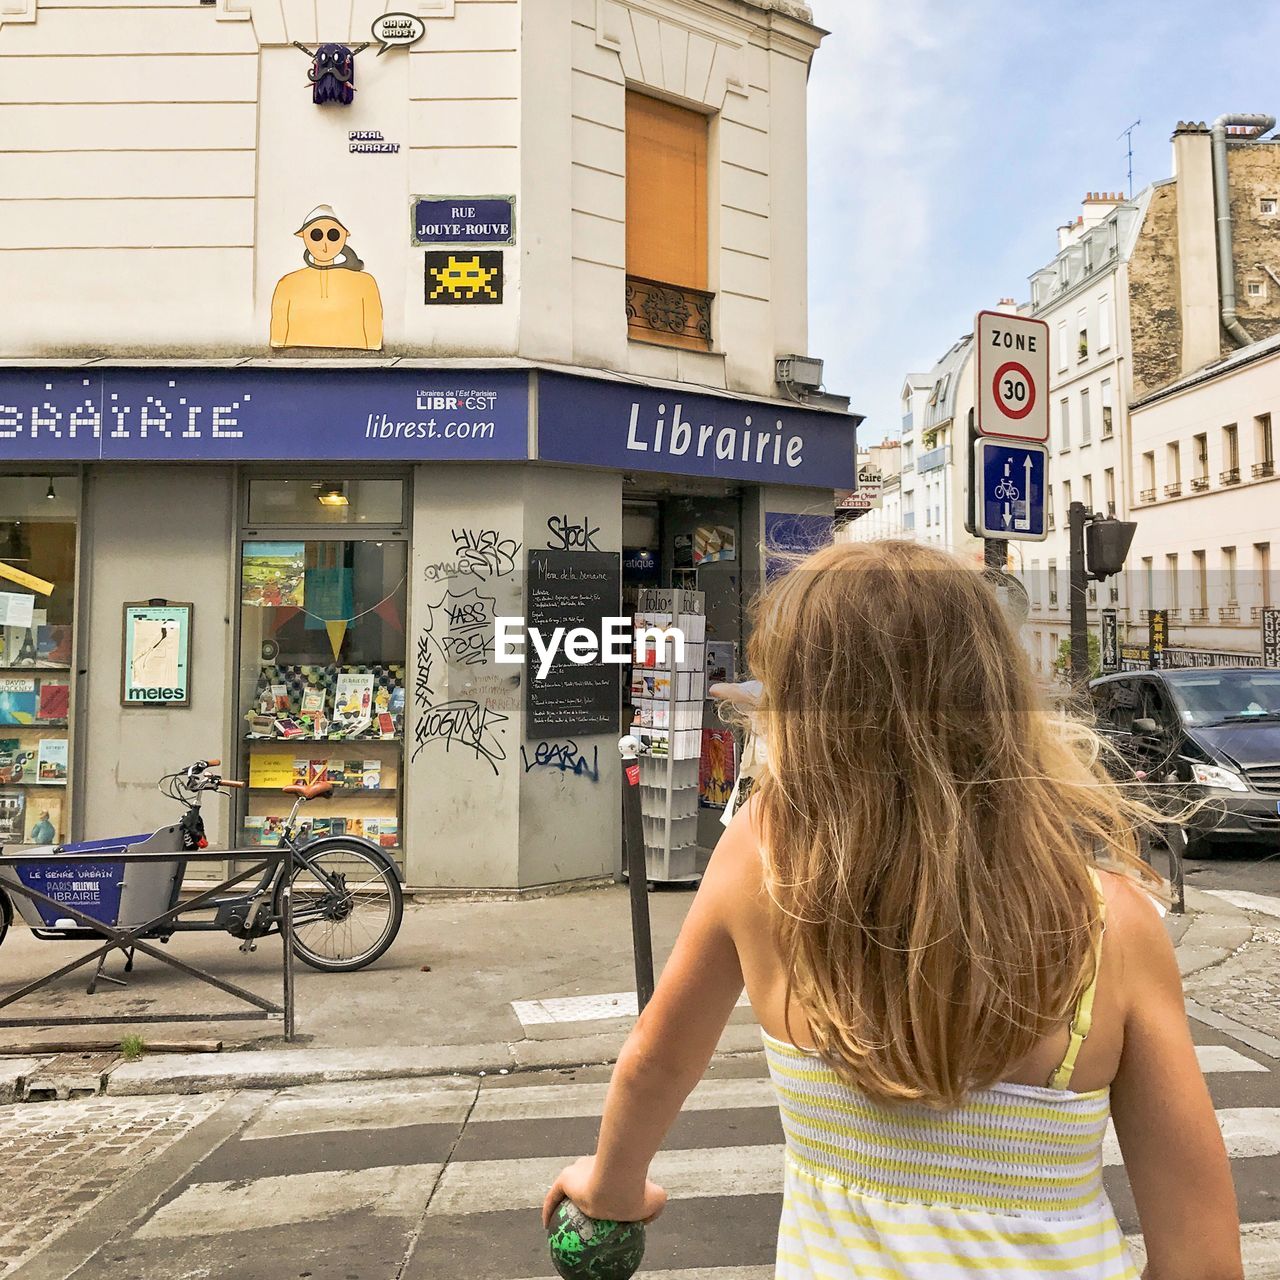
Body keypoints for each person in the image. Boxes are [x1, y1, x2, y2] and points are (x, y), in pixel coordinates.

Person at [544, 540, 1241, 1279]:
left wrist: (611, 1187)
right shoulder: (1110, 927)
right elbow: (1201, 1255)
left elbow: (658, 1057)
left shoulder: (765, 858)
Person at [269, 206, 383, 351]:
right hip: (298, 363)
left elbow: (373, 330)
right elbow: (279, 333)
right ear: (304, 236)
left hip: (355, 361)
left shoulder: (365, 282)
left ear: (344, 236)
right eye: (316, 235)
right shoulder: (287, 283)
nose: (325, 244)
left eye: (333, 235)